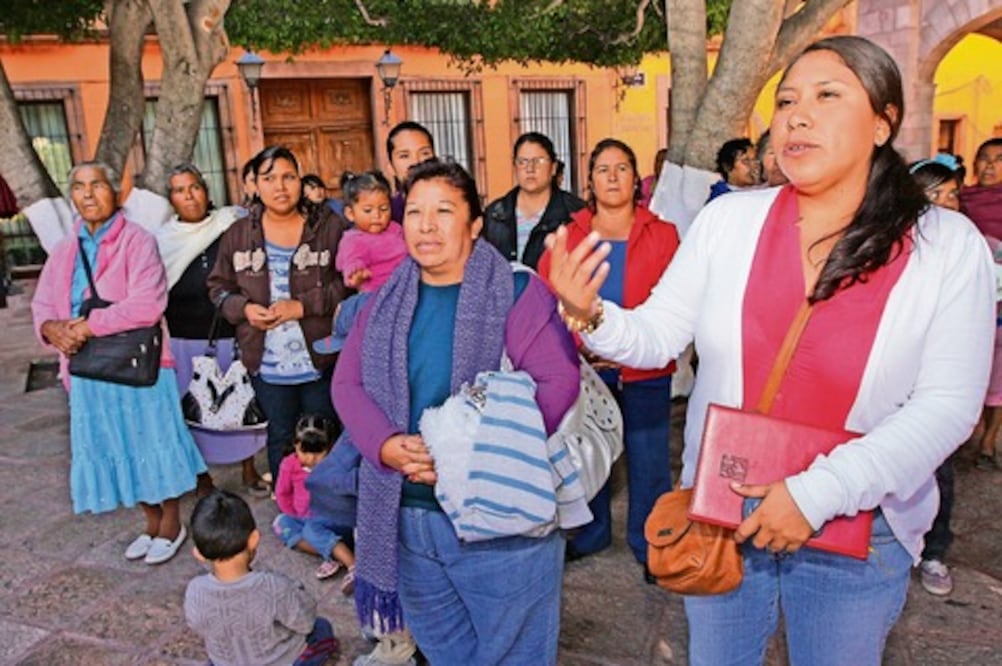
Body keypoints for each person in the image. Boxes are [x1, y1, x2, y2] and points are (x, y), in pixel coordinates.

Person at [544, 36, 995, 665]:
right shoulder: (729, 222)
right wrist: (590, 311)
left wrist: (815, 494)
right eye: (785, 101)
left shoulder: (945, 246)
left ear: (882, 122)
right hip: (722, 506)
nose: (797, 116)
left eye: (826, 96)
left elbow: (946, 407)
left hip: (861, 519)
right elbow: (658, 334)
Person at [332, 159, 580, 664]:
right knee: (447, 653)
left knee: (516, 655)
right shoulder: (382, 303)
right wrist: (384, 445)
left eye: (443, 211)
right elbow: (347, 384)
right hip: (408, 518)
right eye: (415, 212)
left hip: (501, 521)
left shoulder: (515, 292)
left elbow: (558, 383)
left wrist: (465, 455)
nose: (426, 225)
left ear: (475, 224)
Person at [31, 161, 207, 565]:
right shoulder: (65, 249)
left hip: (139, 365)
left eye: (97, 184)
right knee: (116, 444)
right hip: (87, 370)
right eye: (79, 186)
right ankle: (150, 521)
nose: (88, 193)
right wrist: (51, 329)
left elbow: (147, 305)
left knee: (153, 441)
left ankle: (171, 524)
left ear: (115, 191)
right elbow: (43, 305)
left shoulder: (138, 241)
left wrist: (86, 326)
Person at [538, 138, 680, 575]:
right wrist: (577, 346)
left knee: (649, 461)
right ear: (590, 180)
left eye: (622, 168)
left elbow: (675, 304)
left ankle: (650, 544)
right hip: (586, 371)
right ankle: (592, 532)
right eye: (603, 169)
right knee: (588, 453)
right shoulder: (571, 235)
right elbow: (548, 297)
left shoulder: (663, 234)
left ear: (636, 179)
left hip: (645, 370)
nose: (613, 177)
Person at [208, 145, 347, 488]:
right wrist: (243, 309)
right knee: (281, 437)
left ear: (301, 181)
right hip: (266, 364)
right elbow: (218, 287)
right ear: (255, 184)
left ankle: (329, 503)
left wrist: (303, 306)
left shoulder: (329, 227)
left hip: (322, 358)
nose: (280, 186)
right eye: (269, 178)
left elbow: (350, 283)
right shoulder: (239, 234)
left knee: (325, 434)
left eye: (288, 177)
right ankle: (288, 503)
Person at [156, 163, 268, 498]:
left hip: (231, 333)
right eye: (180, 190)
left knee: (242, 402)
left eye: (194, 187)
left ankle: (249, 470)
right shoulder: (162, 240)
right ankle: (203, 479)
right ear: (171, 199)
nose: (189, 196)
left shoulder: (230, 223)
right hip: (183, 337)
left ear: (206, 191)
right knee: (194, 409)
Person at [185, 490, 339, 666]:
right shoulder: (273, 587)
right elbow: (306, 622)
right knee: (321, 627)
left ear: (198, 553)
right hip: (281, 661)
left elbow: (196, 624)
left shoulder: (195, 590)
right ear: (254, 539)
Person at [909, 157, 966, 596]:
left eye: (952, 195)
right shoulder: (889, 243)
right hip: (894, 377)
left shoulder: (966, 247)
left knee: (937, 467)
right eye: (935, 194)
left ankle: (934, 551)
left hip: (939, 376)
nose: (946, 203)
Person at [273, 413, 356, 589]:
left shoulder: (336, 465)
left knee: (312, 530)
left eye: (318, 453)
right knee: (281, 524)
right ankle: (334, 552)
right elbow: (282, 493)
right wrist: (293, 514)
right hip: (304, 517)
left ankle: (353, 566)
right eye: (305, 452)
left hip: (334, 519)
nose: (311, 458)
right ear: (295, 445)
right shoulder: (288, 464)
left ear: (331, 447)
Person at [483, 131, 586, 270]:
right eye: (522, 162)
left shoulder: (575, 213)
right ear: (514, 167)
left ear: (553, 168)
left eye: (538, 161)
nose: (530, 169)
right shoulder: (495, 214)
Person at [962, 137, 1002, 470]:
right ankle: (966, 431)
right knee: (970, 364)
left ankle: (989, 441)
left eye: (999, 159)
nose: (989, 165)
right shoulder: (961, 200)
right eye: (984, 157)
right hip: (968, 298)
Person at [386, 121, 435, 223]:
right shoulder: (386, 214)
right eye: (404, 156)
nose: (416, 162)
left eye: (424, 153)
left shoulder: (455, 201)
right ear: (391, 168)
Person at [707, 137, 760, 202]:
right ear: (727, 167)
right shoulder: (720, 198)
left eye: (755, 160)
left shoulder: (759, 190)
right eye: (746, 161)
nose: (754, 166)